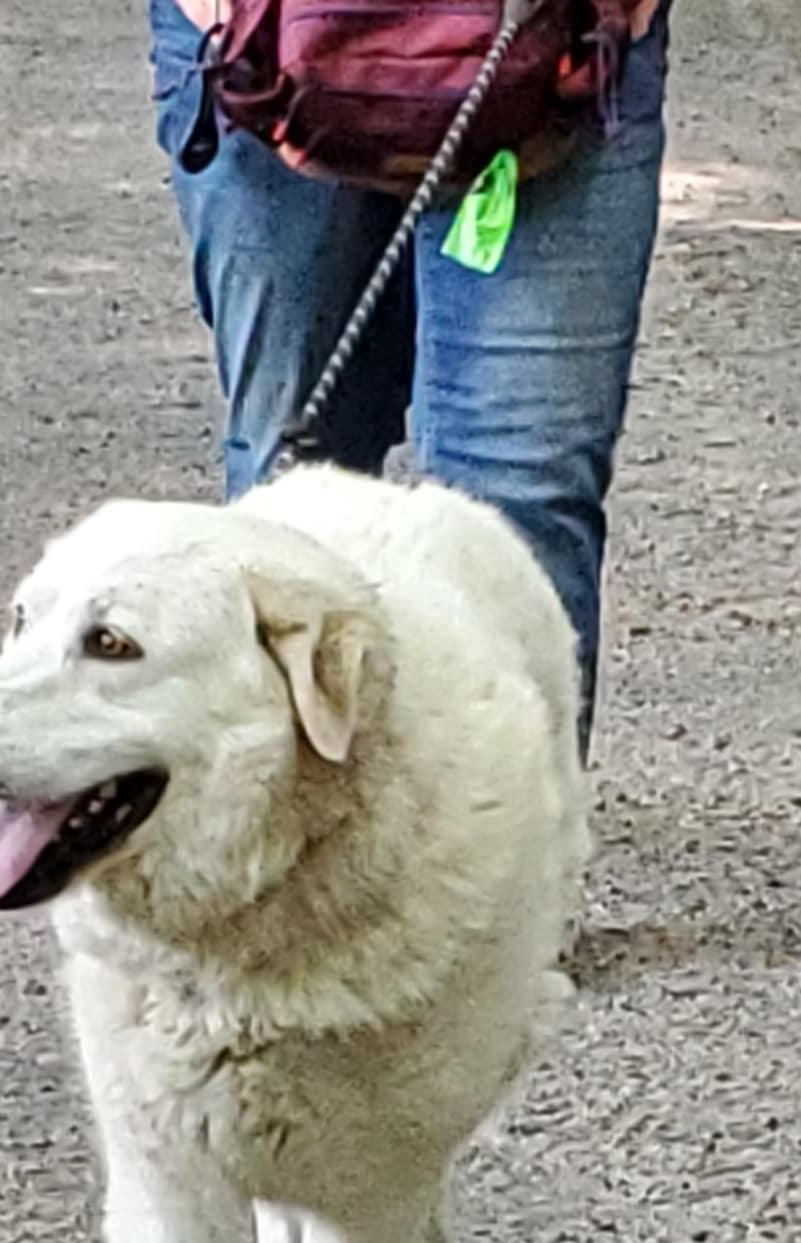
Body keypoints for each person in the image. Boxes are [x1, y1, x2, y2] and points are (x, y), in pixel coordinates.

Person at [149, 1, 669, 757]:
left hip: (566, 43)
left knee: (516, 512)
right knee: (292, 501)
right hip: (259, 41)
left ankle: (504, 867)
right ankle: (297, 863)